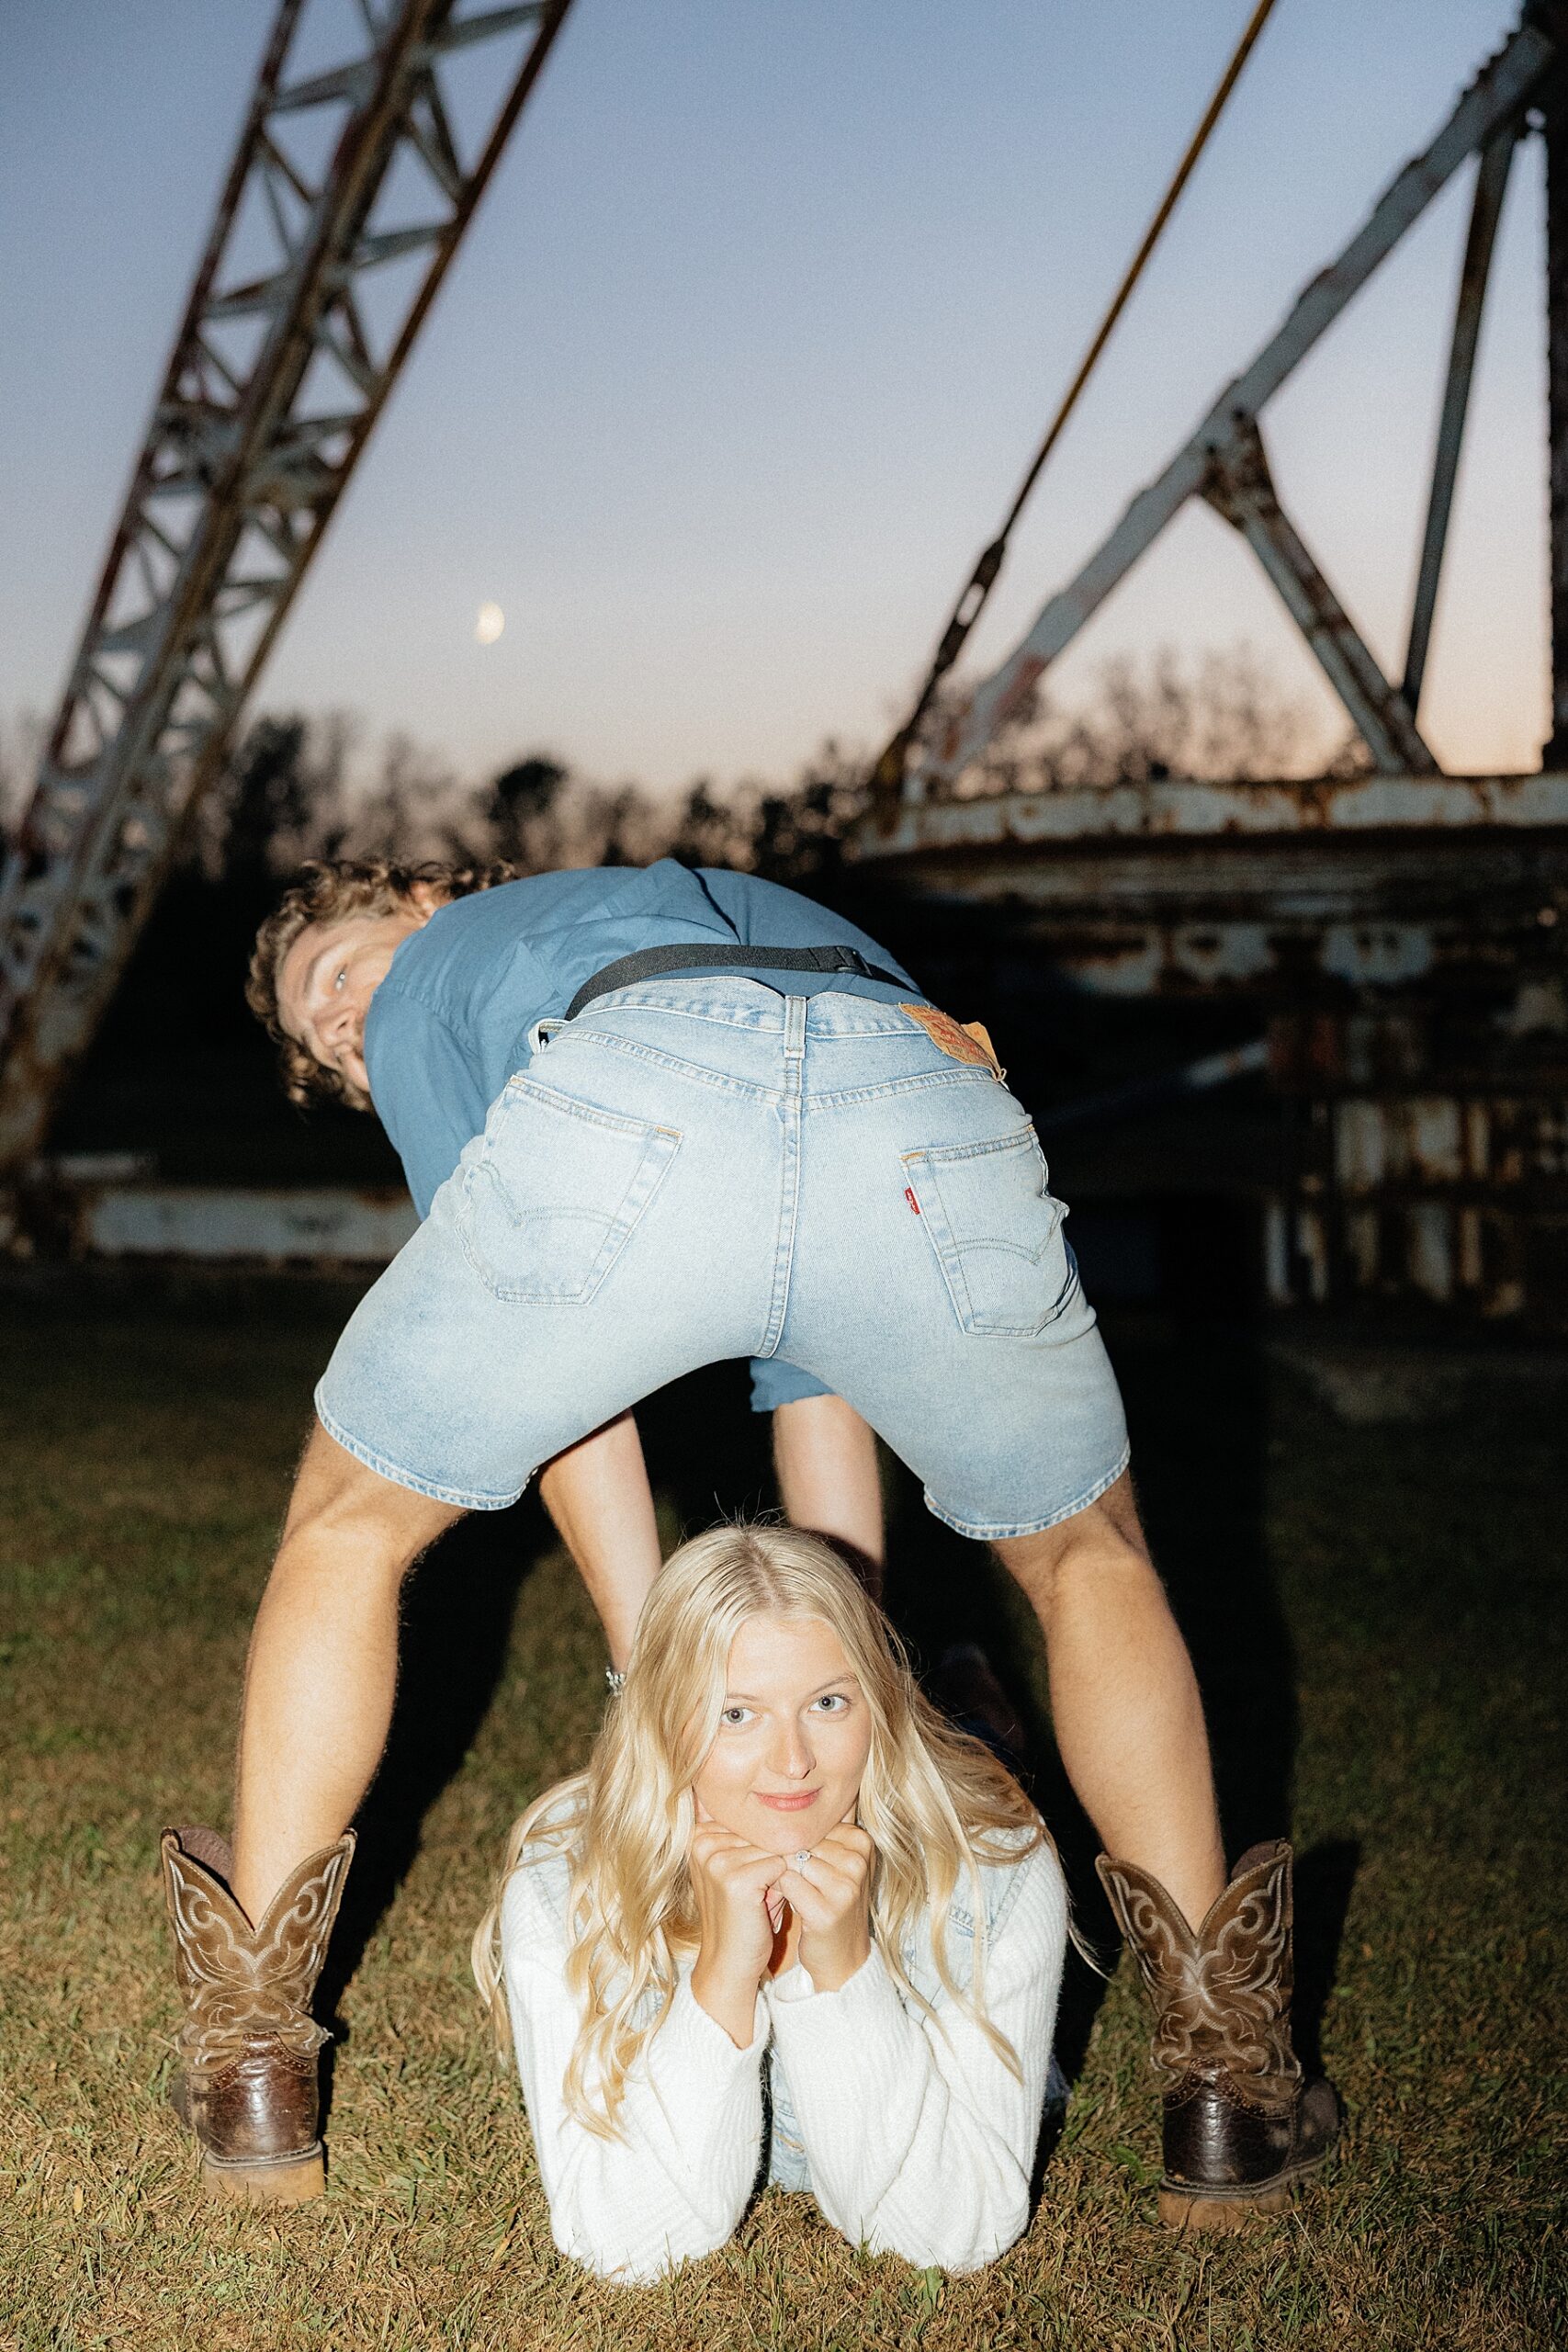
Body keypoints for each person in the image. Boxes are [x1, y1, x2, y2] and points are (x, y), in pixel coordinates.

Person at [158, 852, 1337, 2225]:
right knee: (1089, 1558)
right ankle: (1229, 2093)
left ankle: (250, 2065)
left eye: (339, 974)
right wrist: (853, 1695)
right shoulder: (684, 900)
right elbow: (819, 1377)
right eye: (325, 1042)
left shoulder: (446, 958)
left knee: (346, 1532)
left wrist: (651, 1677)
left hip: (642, 1072)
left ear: (422, 900)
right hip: (923, 1095)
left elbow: (566, 1404)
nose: (349, 1026)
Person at [471, 1524, 1067, 2281]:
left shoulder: (994, 1868)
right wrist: (721, 1974)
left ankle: (968, 1691)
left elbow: (952, 2233)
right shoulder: (567, 1879)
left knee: (983, 1754)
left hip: (941, 1784)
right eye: (736, 1714)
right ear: (662, 1720)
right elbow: (622, 2242)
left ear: (879, 1701)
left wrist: (844, 1973)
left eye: (827, 1702)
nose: (793, 1764)